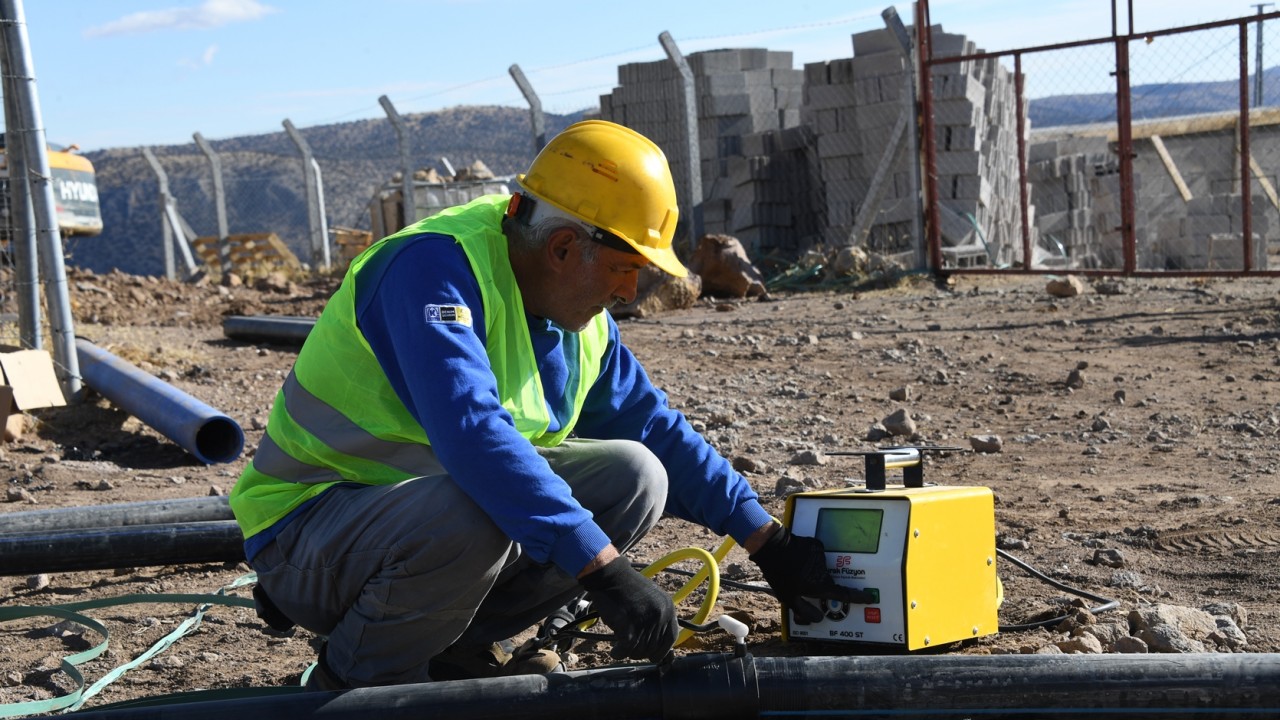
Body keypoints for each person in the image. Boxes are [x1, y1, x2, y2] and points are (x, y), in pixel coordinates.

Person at [228, 119, 869, 690]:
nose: (628, 290)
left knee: (636, 475)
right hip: (308, 535)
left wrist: (768, 542)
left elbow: (655, 428)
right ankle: (358, 678)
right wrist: (604, 570)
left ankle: (458, 650)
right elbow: (472, 435)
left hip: (416, 533)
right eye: (624, 268)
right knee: (474, 506)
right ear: (563, 247)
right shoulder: (433, 269)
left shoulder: (578, 317)